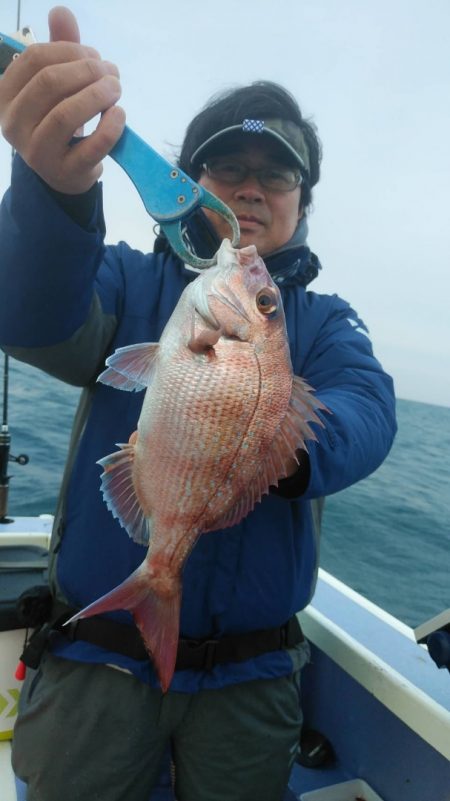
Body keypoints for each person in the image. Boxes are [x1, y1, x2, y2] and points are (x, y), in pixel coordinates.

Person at [0, 7, 397, 801]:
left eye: (275, 175)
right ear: (187, 182)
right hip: (95, 662)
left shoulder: (322, 322)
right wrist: (55, 197)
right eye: (226, 165)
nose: (250, 187)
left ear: (301, 201)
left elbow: (368, 412)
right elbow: (33, 314)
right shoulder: (125, 279)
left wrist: (271, 445)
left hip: (251, 683)